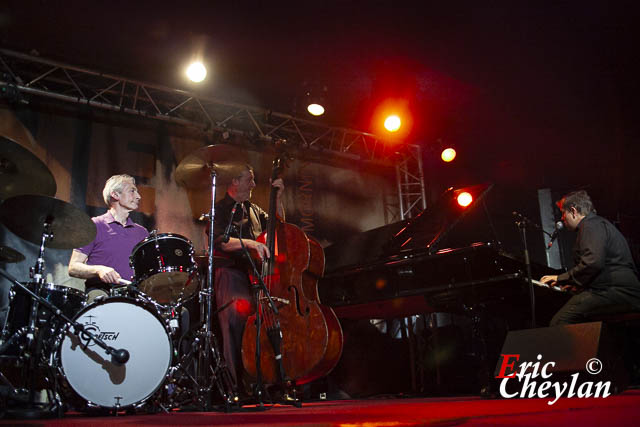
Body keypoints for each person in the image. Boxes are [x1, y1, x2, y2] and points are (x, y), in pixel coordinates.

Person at [212, 164, 284, 392]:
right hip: (231, 272)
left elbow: (279, 227)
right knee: (234, 325)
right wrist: (252, 243)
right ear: (235, 181)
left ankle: (262, 381)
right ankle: (235, 389)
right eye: (249, 180)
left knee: (260, 326)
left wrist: (278, 198)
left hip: (255, 274)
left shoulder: (254, 210)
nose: (254, 184)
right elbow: (220, 241)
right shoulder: (221, 208)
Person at [540, 190, 640, 325]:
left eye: (564, 213)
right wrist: (576, 285)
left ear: (574, 211)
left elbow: (593, 263)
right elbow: (602, 266)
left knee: (559, 322)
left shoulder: (590, 225)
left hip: (619, 291)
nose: (563, 219)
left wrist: (560, 278)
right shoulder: (597, 224)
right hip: (621, 290)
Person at [68, 174, 149, 301]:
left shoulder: (142, 232)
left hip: (134, 296)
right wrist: (98, 270)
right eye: (132, 191)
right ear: (115, 195)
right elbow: (73, 267)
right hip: (102, 293)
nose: (139, 196)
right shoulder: (94, 225)